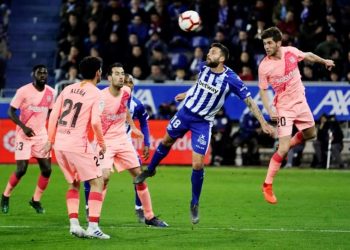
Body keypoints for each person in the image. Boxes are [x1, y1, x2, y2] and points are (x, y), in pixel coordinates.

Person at [135, 43, 275, 224]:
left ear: (222, 58)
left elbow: (249, 101)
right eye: (209, 51)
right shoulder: (204, 67)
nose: (209, 54)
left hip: (202, 123)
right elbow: (199, 85)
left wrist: (263, 122)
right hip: (185, 113)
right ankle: (150, 170)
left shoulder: (231, 79)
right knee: (166, 140)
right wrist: (187, 93)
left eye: (213, 52)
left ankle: (194, 202)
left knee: (198, 164)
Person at [258, 27, 335, 204]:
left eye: (269, 43)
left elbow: (308, 55)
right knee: (283, 149)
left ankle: (285, 145)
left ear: (278, 42)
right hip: (284, 108)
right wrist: (270, 109)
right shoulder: (264, 66)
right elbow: (262, 90)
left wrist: (324, 61)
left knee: (311, 134)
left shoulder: (291, 52)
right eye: (264, 44)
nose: (266, 47)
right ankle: (267, 185)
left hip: (301, 103)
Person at [85, 63, 168, 227]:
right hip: (104, 142)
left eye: (122, 73)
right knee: (104, 178)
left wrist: (134, 127)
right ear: (109, 77)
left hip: (123, 140)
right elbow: (93, 121)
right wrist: (98, 142)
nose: (121, 76)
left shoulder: (127, 92)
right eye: (116, 73)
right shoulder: (100, 97)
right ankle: (94, 218)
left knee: (139, 176)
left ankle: (149, 217)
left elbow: (125, 109)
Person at [42, 56, 110, 239]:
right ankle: (93, 227)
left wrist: (50, 140)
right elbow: (95, 122)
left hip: (60, 144)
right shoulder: (97, 93)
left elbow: (54, 115)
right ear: (98, 72)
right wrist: (102, 143)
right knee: (97, 181)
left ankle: (74, 224)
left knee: (73, 183)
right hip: (78, 144)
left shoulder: (68, 89)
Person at [0, 65, 55, 214]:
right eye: (40, 72)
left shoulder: (51, 92)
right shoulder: (23, 91)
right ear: (34, 75)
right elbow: (10, 111)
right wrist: (23, 127)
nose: (43, 75)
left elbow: (51, 113)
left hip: (41, 136)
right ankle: (5, 196)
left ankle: (35, 200)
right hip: (24, 135)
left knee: (47, 170)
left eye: (45, 72)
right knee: (21, 170)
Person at [124, 73, 151, 222]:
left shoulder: (137, 104)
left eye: (130, 82)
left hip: (125, 143)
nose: (128, 85)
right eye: (125, 82)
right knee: (97, 176)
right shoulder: (108, 99)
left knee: (139, 174)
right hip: (107, 142)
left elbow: (144, 123)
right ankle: (90, 208)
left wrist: (147, 143)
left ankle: (139, 208)